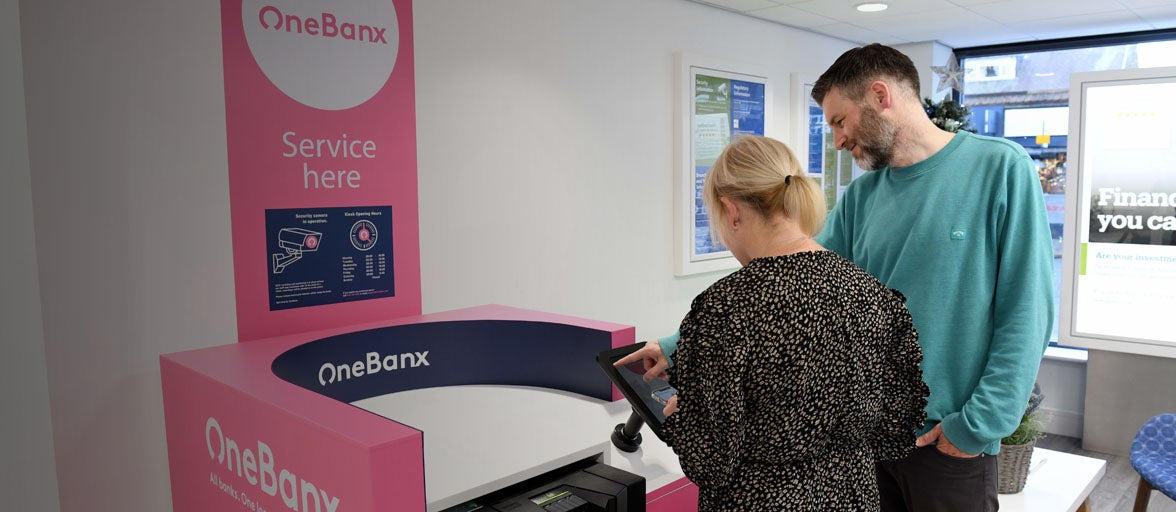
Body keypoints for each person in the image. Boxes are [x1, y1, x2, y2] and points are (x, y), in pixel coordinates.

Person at [621, 43, 1056, 511]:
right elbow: (790, 286)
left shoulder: (1000, 169)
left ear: (880, 95)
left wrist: (975, 427)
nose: (837, 140)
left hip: (946, 439)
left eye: (839, 120)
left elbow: (1026, 313)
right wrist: (676, 345)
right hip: (865, 438)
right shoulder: (865, 195)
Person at [644, 134, 929, 511]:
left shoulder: (726, 306)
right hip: (853, 496)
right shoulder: (872, 294)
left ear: (732, 211)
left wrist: (685, 416)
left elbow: (711, 462)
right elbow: (894, 427)